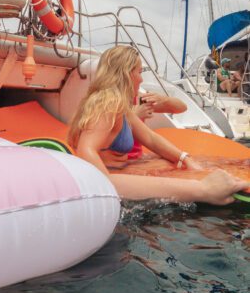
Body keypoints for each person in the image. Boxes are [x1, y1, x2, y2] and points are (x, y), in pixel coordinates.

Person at [68, 46, 248, 204]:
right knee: (192, 171)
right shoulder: (108, 103)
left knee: (203, 163)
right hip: (111, 177)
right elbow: (86, 150)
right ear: (126, 73)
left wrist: (186, 159)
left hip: (123, 169)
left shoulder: (119, 105)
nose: (141, 79)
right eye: (139, 72)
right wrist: (106, 187)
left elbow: (151, 139)